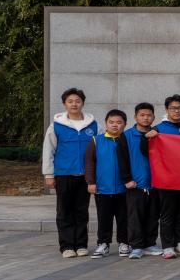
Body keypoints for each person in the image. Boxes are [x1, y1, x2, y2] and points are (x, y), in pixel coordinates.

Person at [41, 87, 99, 258]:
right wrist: (48, 174)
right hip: (63, 174)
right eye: (70, 101)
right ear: (64, 104)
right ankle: (66, 246)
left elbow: (100, 150)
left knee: (82, 211)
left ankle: (81, 245)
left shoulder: (93, 125)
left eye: (77, 101)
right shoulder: (56, 125)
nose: (74, 104)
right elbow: (48, 150)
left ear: (83, 103)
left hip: (85, 176)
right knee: (64, 211)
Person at [151, 94, 180, 260]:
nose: (176, 111)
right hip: (167, 180)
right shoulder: (158, 129)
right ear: (167, 109)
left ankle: (179, 242)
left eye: (179, 108)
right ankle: (167, 246)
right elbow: (147, 151)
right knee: (167, 214)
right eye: (173, 108)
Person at [84, 109, 129, 258]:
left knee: (123, 218)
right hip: (102, 188)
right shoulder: (96, 140)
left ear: (125, 124)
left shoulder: (127, 140)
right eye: (111, 122)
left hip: (124, 188)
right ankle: (103, 244)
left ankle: (124, 242)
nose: (115, 125)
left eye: (119, 122)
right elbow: (89, 162)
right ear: (106, 123)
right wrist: (90, 181)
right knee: (104, 218)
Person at [117, 102, 157, 259]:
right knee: (135, 217)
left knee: (152, 216)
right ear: (135, 117)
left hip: (154, 184)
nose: (146, 118)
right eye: (142, 115)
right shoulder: (126, 136)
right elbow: (122, 160)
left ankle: (150, 244)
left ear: (153, 117)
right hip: (135, 185)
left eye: (149, 115)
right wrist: (127, 179)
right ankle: (137, 246)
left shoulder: (157, 134)